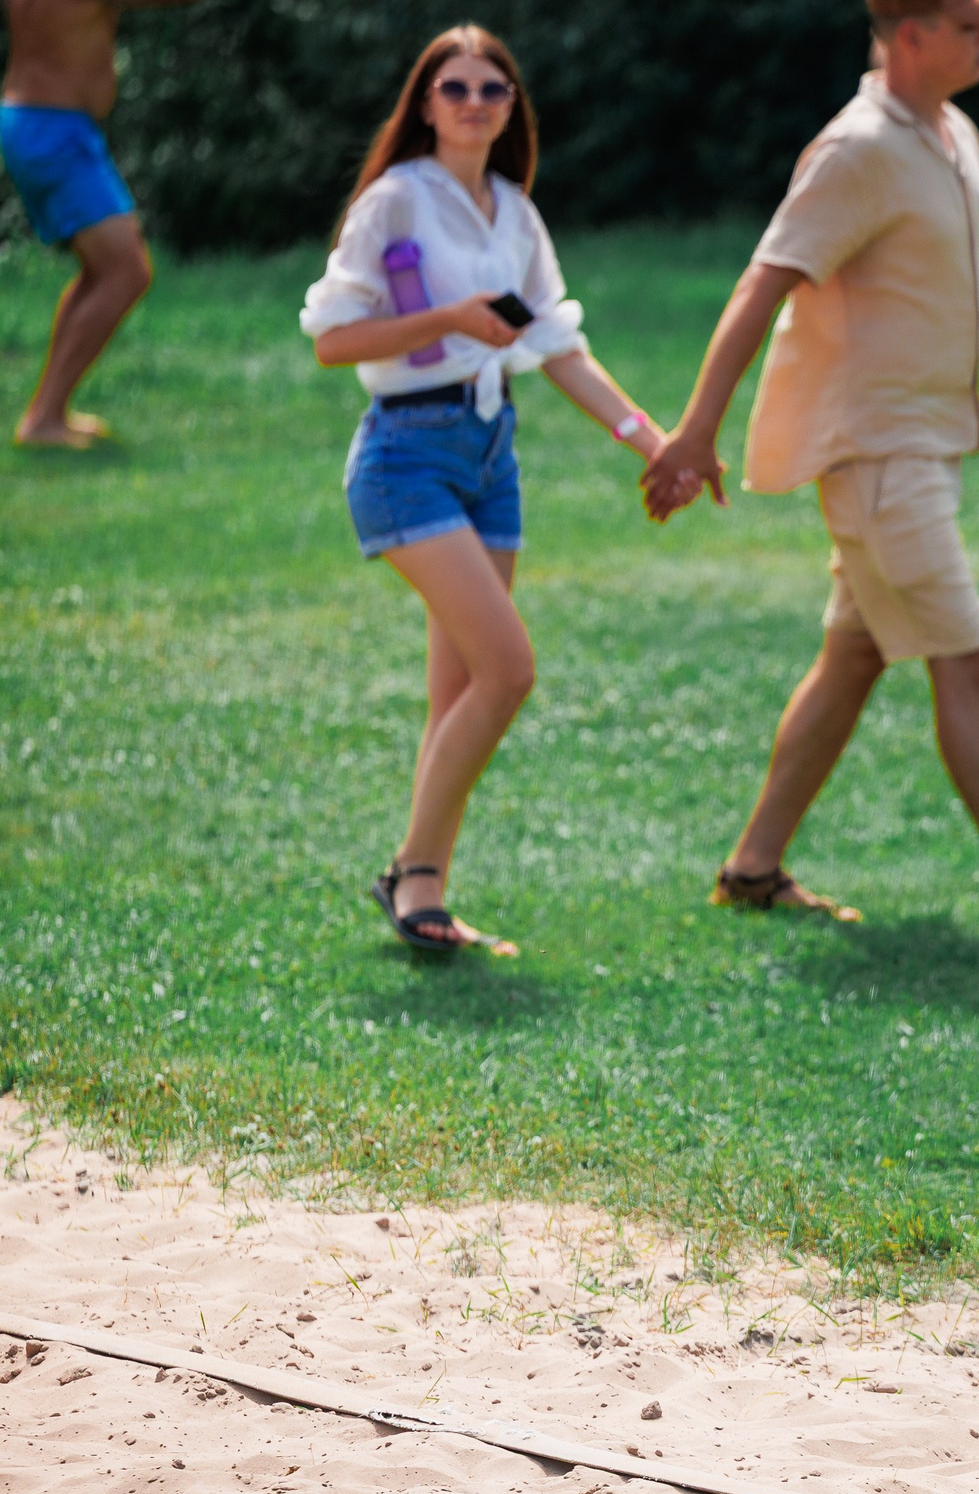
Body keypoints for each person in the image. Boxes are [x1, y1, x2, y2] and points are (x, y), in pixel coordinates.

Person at [640, 0, 979, 937]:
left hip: (923, 450)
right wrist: (696, 428)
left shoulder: (954, 135)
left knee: (855, 654)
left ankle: (751, 869)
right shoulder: (856, 149)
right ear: (909, 30)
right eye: (972, 24)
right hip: (873, 456)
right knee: (969, 652)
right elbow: (766, 279)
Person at [300, 25, 681, 956]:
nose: (475, 102)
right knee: (509, 670)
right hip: (405, 454)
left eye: (493, 89)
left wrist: (655, 442)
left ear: (513, 108)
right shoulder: (393, 202)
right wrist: (448, 318)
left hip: (489, 454)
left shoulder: (514, 212)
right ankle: (412, 874)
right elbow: (332, 338)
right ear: (425, 102)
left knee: (460, 688)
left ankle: (426, 891)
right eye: (456, 87)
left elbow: (560, 349)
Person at [0, 0, 195, 449]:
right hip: (54, 130)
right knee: (127, 272)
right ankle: (42, 419)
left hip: (38, 121)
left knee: (103, 271)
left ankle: (49, 411)